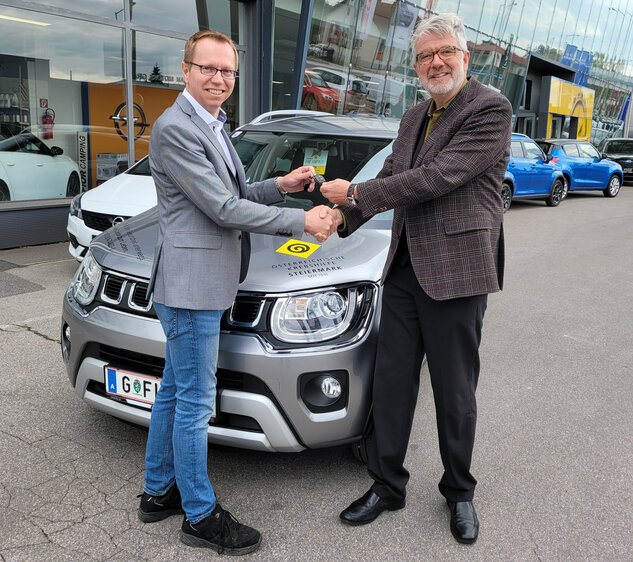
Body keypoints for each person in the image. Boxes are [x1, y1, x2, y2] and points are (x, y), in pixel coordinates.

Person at [138, 30, 333, 555]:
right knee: (194, 401)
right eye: (208, 68)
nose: (219, 79)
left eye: (227, 71)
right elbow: (223, 211)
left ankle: (158, 493)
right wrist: (301, 219)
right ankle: (199, 515)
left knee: (176, 392)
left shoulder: (213, 123)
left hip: (200, 284)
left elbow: (236, 195)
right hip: (190, 288)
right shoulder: (176, 129)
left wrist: (283, 186)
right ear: (185, 70)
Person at [320, 13, 512, 544]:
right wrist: (342, 217)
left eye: (445, 51)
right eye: (426, 56)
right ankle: (387, 484)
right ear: (416, 65)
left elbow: (438, 177)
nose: (436, 62)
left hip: (458, 273)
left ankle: (459, 492)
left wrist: (355, 196)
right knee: (392, 382)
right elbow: (388, 178)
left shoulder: (490, 109)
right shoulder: (413, 116)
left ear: (465, 55)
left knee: (454, 392)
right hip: (403, 268)